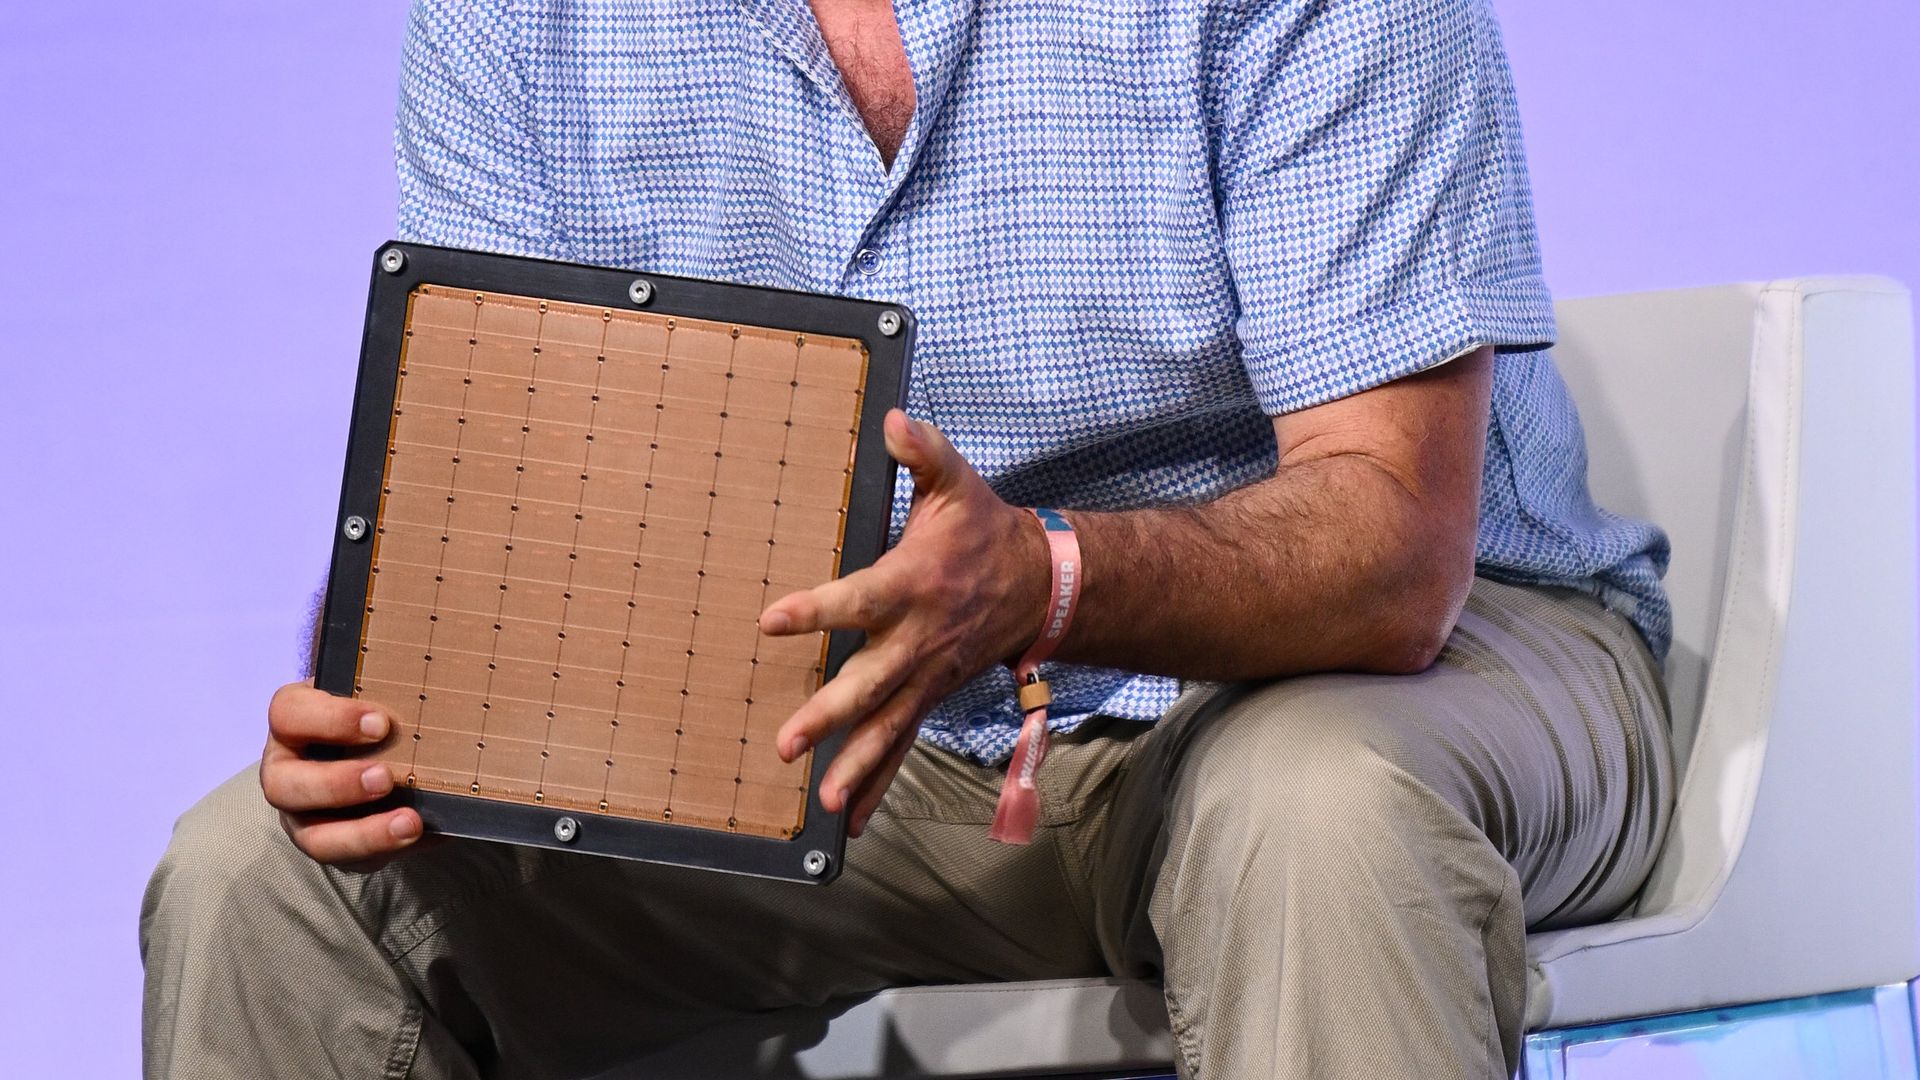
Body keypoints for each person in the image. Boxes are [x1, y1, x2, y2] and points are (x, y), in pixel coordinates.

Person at [141, 0, 1675, 1077]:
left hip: (1386, 671)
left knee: (1316, 812)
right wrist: (405, 697)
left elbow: (1394, 552)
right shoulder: (524, 20)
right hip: (864, 747)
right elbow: (503, 511)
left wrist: (1044, 577)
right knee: (265, 877)